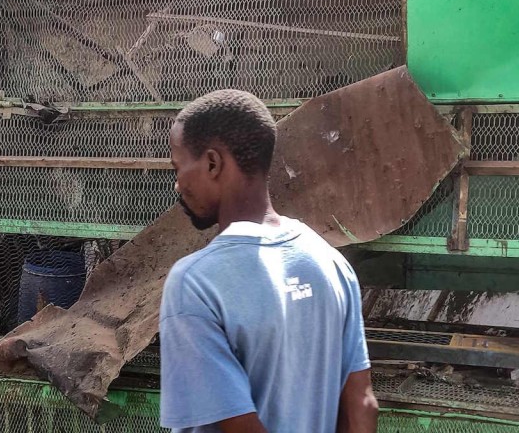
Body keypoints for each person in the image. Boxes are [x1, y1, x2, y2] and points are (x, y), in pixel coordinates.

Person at [159, 89, 378, 433]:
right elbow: (362, 406)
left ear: (213, 163)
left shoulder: (195, 283)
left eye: (178, 167)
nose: (177, 184)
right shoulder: (332, 264)